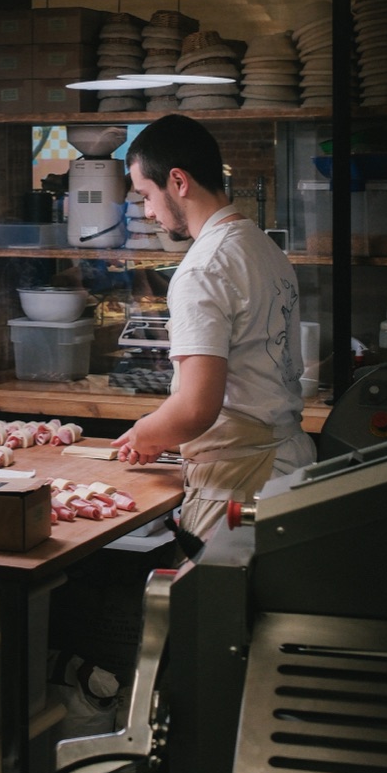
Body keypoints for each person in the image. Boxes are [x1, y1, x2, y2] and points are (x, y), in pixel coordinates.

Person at [111, 113, 315, 559]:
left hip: (239, 485)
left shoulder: (203, 268)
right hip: (289, 466)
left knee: (217, 622)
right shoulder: (262, 246)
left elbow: (195, 408)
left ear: (178, 181)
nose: (147, 211)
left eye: (147, 194)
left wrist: (145, 433)